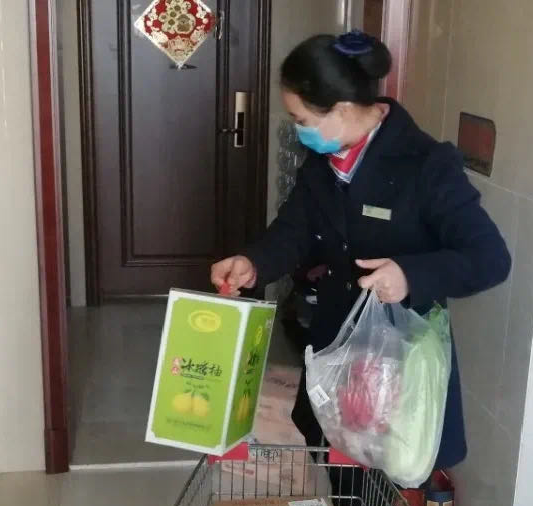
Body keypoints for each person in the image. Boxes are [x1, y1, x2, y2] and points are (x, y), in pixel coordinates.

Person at [211, 31, 511, 477]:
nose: (299, 130)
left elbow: (490, 257)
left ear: (343, 109)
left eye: (301, 119)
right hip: (337, 352)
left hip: (400, 362)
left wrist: (409, 275)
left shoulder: (426, 165)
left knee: (388, 489)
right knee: (343, 476)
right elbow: (295, 229)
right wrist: (254, 263)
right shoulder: (324, 162)